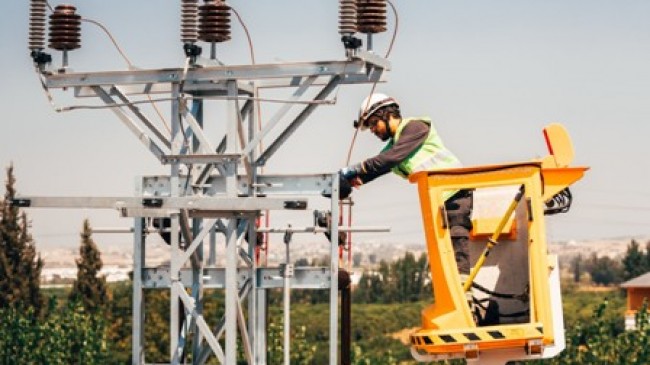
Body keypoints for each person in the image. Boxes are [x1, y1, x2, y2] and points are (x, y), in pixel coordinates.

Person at [340, 93, 473, 276]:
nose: (372, 130)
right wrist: (349, 182)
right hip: (438, 198)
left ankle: (463, 288)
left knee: (456, 234)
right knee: (443, 247)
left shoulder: (415, 127)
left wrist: (355, 168)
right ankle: (455, 286)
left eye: (373, 124)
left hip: (456, 190)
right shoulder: (396, 143)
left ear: (386, 115)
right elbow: (379, 167)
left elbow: (388, 159)